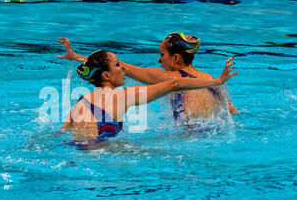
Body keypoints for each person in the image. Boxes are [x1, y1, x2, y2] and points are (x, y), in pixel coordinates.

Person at [59, 49, 237, 147]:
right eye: (118, 65)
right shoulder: (122, 95)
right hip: (103, 156)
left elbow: (62, 132)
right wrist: (218, 81)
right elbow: (175, 84)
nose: (124, 69)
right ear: (106, 76)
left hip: (76, 150)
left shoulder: (80, 101)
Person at [57, 33, 238, 124]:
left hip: (189, 137)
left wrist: (78, 57)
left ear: (175, 58)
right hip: (214, 134)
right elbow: (232, 111)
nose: (159, 60)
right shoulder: (209, 79)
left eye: (162, 55)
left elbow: (121, 68)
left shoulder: (170, 76)